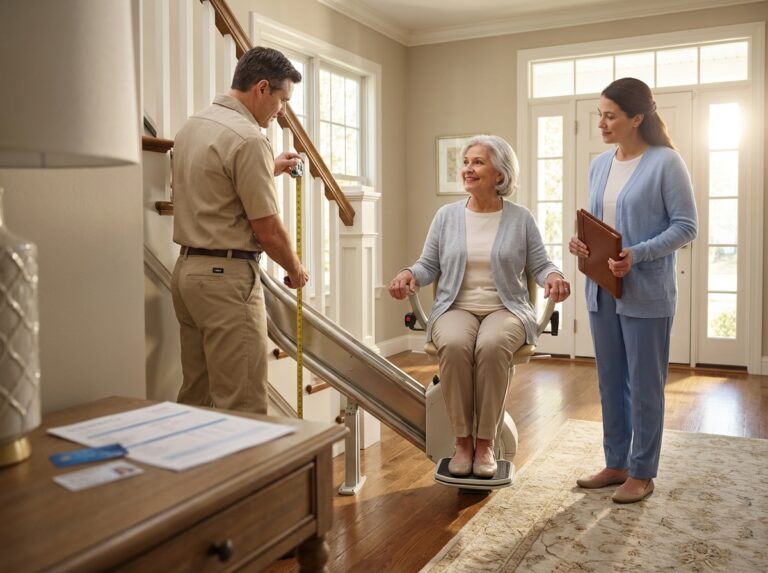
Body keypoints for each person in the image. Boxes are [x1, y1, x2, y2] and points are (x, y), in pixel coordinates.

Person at [389, 135, 570, 477]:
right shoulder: (446, 216)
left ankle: (485, 442)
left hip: (506, 308)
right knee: (456, 345)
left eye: (478, 162)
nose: (468, 169)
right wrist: (408, 273)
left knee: (490, 346)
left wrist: (555, 276)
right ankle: (462, 442)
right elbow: (428, 265)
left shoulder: (521, 218)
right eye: (466, 162)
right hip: (456, 307)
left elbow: (541, 264)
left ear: (499, 174)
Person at [569, 78, 698, 503]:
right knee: (610, 381)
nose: (601, 124)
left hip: (646, 292)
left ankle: (643, 471)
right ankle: (616, 462)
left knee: (644, 385)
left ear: (637, 118)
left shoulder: (666, 163)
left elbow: (686, 227)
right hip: (601, 290)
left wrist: (636, 255)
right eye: (600, 114)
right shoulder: (599, 164)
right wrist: (581, 244)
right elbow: (600, 221)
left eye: (611, 116)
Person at [171, 46, 309, 414]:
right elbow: (267, 229)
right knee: (242, 404)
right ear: (262, 88)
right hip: (226, 280)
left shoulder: (193, 125)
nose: (281, 112)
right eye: (282, 100)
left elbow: (214, 184)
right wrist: (295, 269)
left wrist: (268, 168)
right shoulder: (248, 138)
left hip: (187, 273)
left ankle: (194, 473)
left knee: (196, 397)